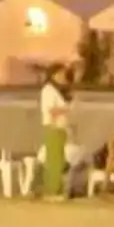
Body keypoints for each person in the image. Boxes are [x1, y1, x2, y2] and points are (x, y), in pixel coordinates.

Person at [37, 67, 71, 197]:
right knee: (54, 161)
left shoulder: (56, 91)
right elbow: (51, 110)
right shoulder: (48, 90)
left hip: (59, 129)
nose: (63, 77)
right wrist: (67, 109)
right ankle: (52, 190)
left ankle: (57, 189)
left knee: (58, 159)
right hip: (53, 128)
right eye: (61, 74)